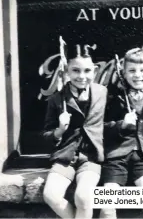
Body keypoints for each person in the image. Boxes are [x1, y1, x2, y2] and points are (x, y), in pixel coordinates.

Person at [100, 48, 143, 219]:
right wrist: (121, 125)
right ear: (123, 73)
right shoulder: (113, 96)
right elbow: (100, 127)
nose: (137, 75)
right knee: (107, 207)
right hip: (116, 156)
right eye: (131, 71)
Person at [42, 44, 107, 219]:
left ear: (94, 70)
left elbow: (110, 123)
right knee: (51, 195)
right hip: (65, 158)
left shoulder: (102, 93)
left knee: (84, 197)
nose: (82, 76)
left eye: (87, 71)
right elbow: (46, 135)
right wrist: (59, 130)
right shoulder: (56, 99)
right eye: (76, 70)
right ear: (66, 70)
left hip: (91, 157)